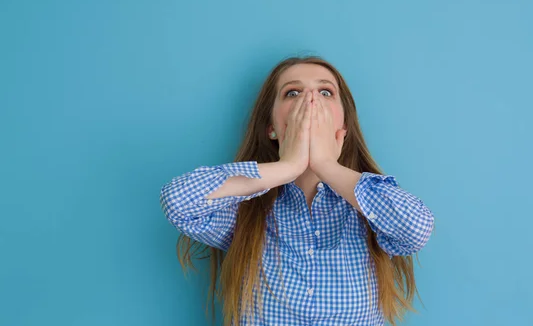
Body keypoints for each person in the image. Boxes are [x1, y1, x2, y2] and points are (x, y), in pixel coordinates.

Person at [159, 55, 435, 326]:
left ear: (344, 126)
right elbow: (179, 203)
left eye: (325, 92)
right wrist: (287, 167)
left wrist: (327, 165)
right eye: (293, 93)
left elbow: (416, 228)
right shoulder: (246, 211)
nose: (310, 102)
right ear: (272, 129)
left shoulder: (370, 208)